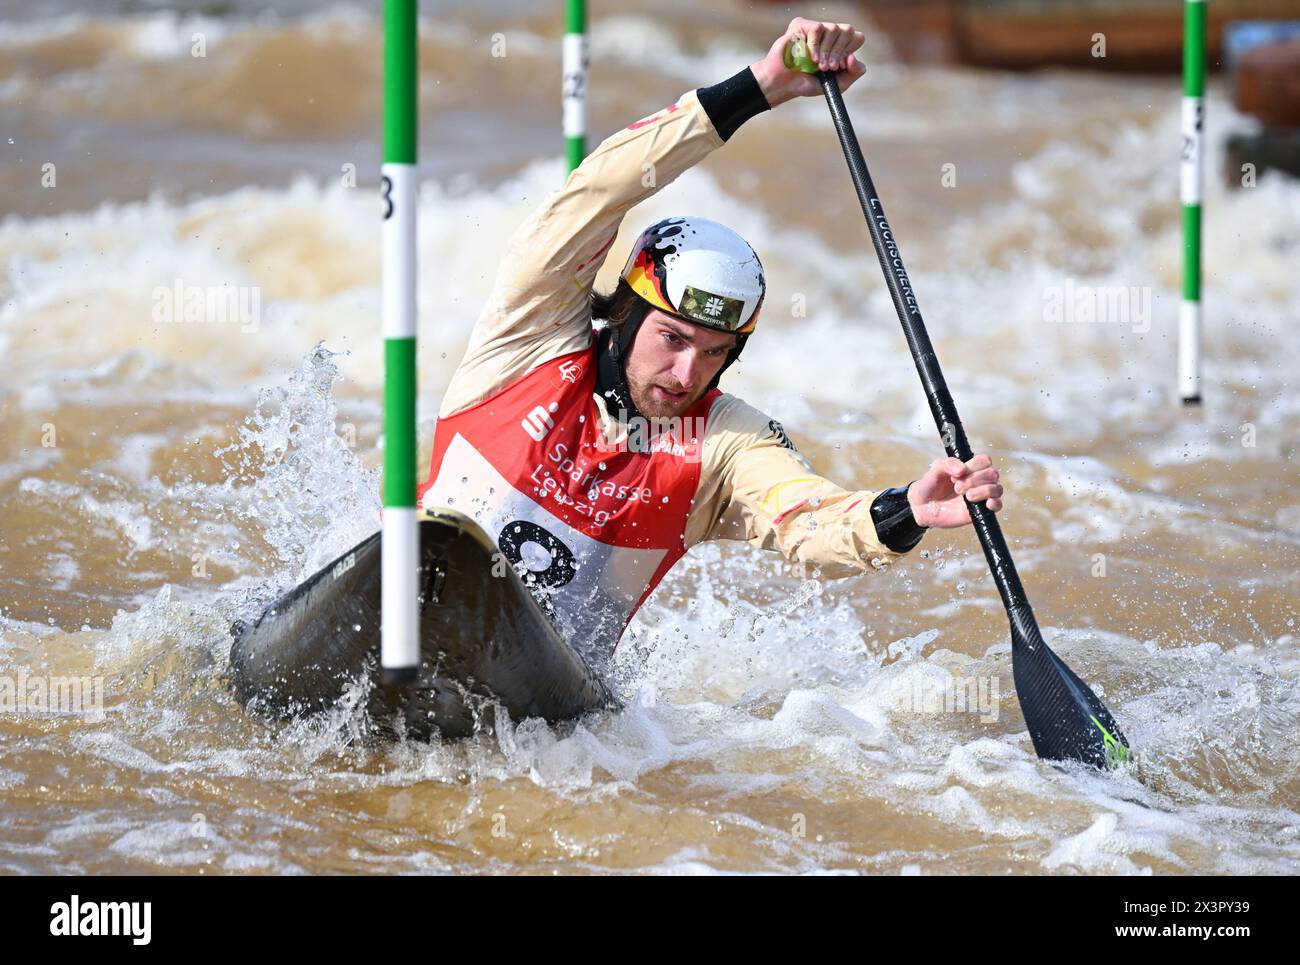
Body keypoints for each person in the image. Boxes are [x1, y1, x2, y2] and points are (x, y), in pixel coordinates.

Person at [417, 18, 1004, 666]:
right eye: (671, 337)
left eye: (716, 351)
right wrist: (762, 86)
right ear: (627, 314)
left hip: (543, 703)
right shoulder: (528, 334)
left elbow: (807, 521)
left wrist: (903, 513)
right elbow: (605, 185)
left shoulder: (721, 443)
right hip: (415, 609)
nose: (686, 371)